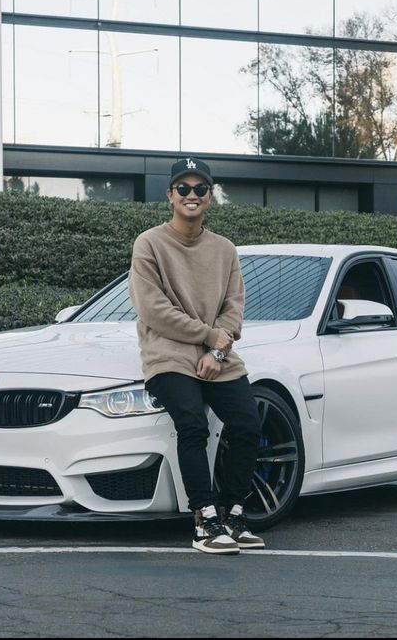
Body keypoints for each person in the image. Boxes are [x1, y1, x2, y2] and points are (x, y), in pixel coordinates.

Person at [128, 157, 264, 555]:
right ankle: (205, 520)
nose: (192, 195)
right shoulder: (149, 243)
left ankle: (235, 514)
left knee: (247, 423)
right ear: (170, 195)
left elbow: (233, 308)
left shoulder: (224, 249)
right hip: (168, 355)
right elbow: (153, 310)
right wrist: (210, 339)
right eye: (183, 189)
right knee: (192, 423)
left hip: (217, 358)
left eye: (200, 189)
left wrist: (218, 353)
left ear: (210, 196)